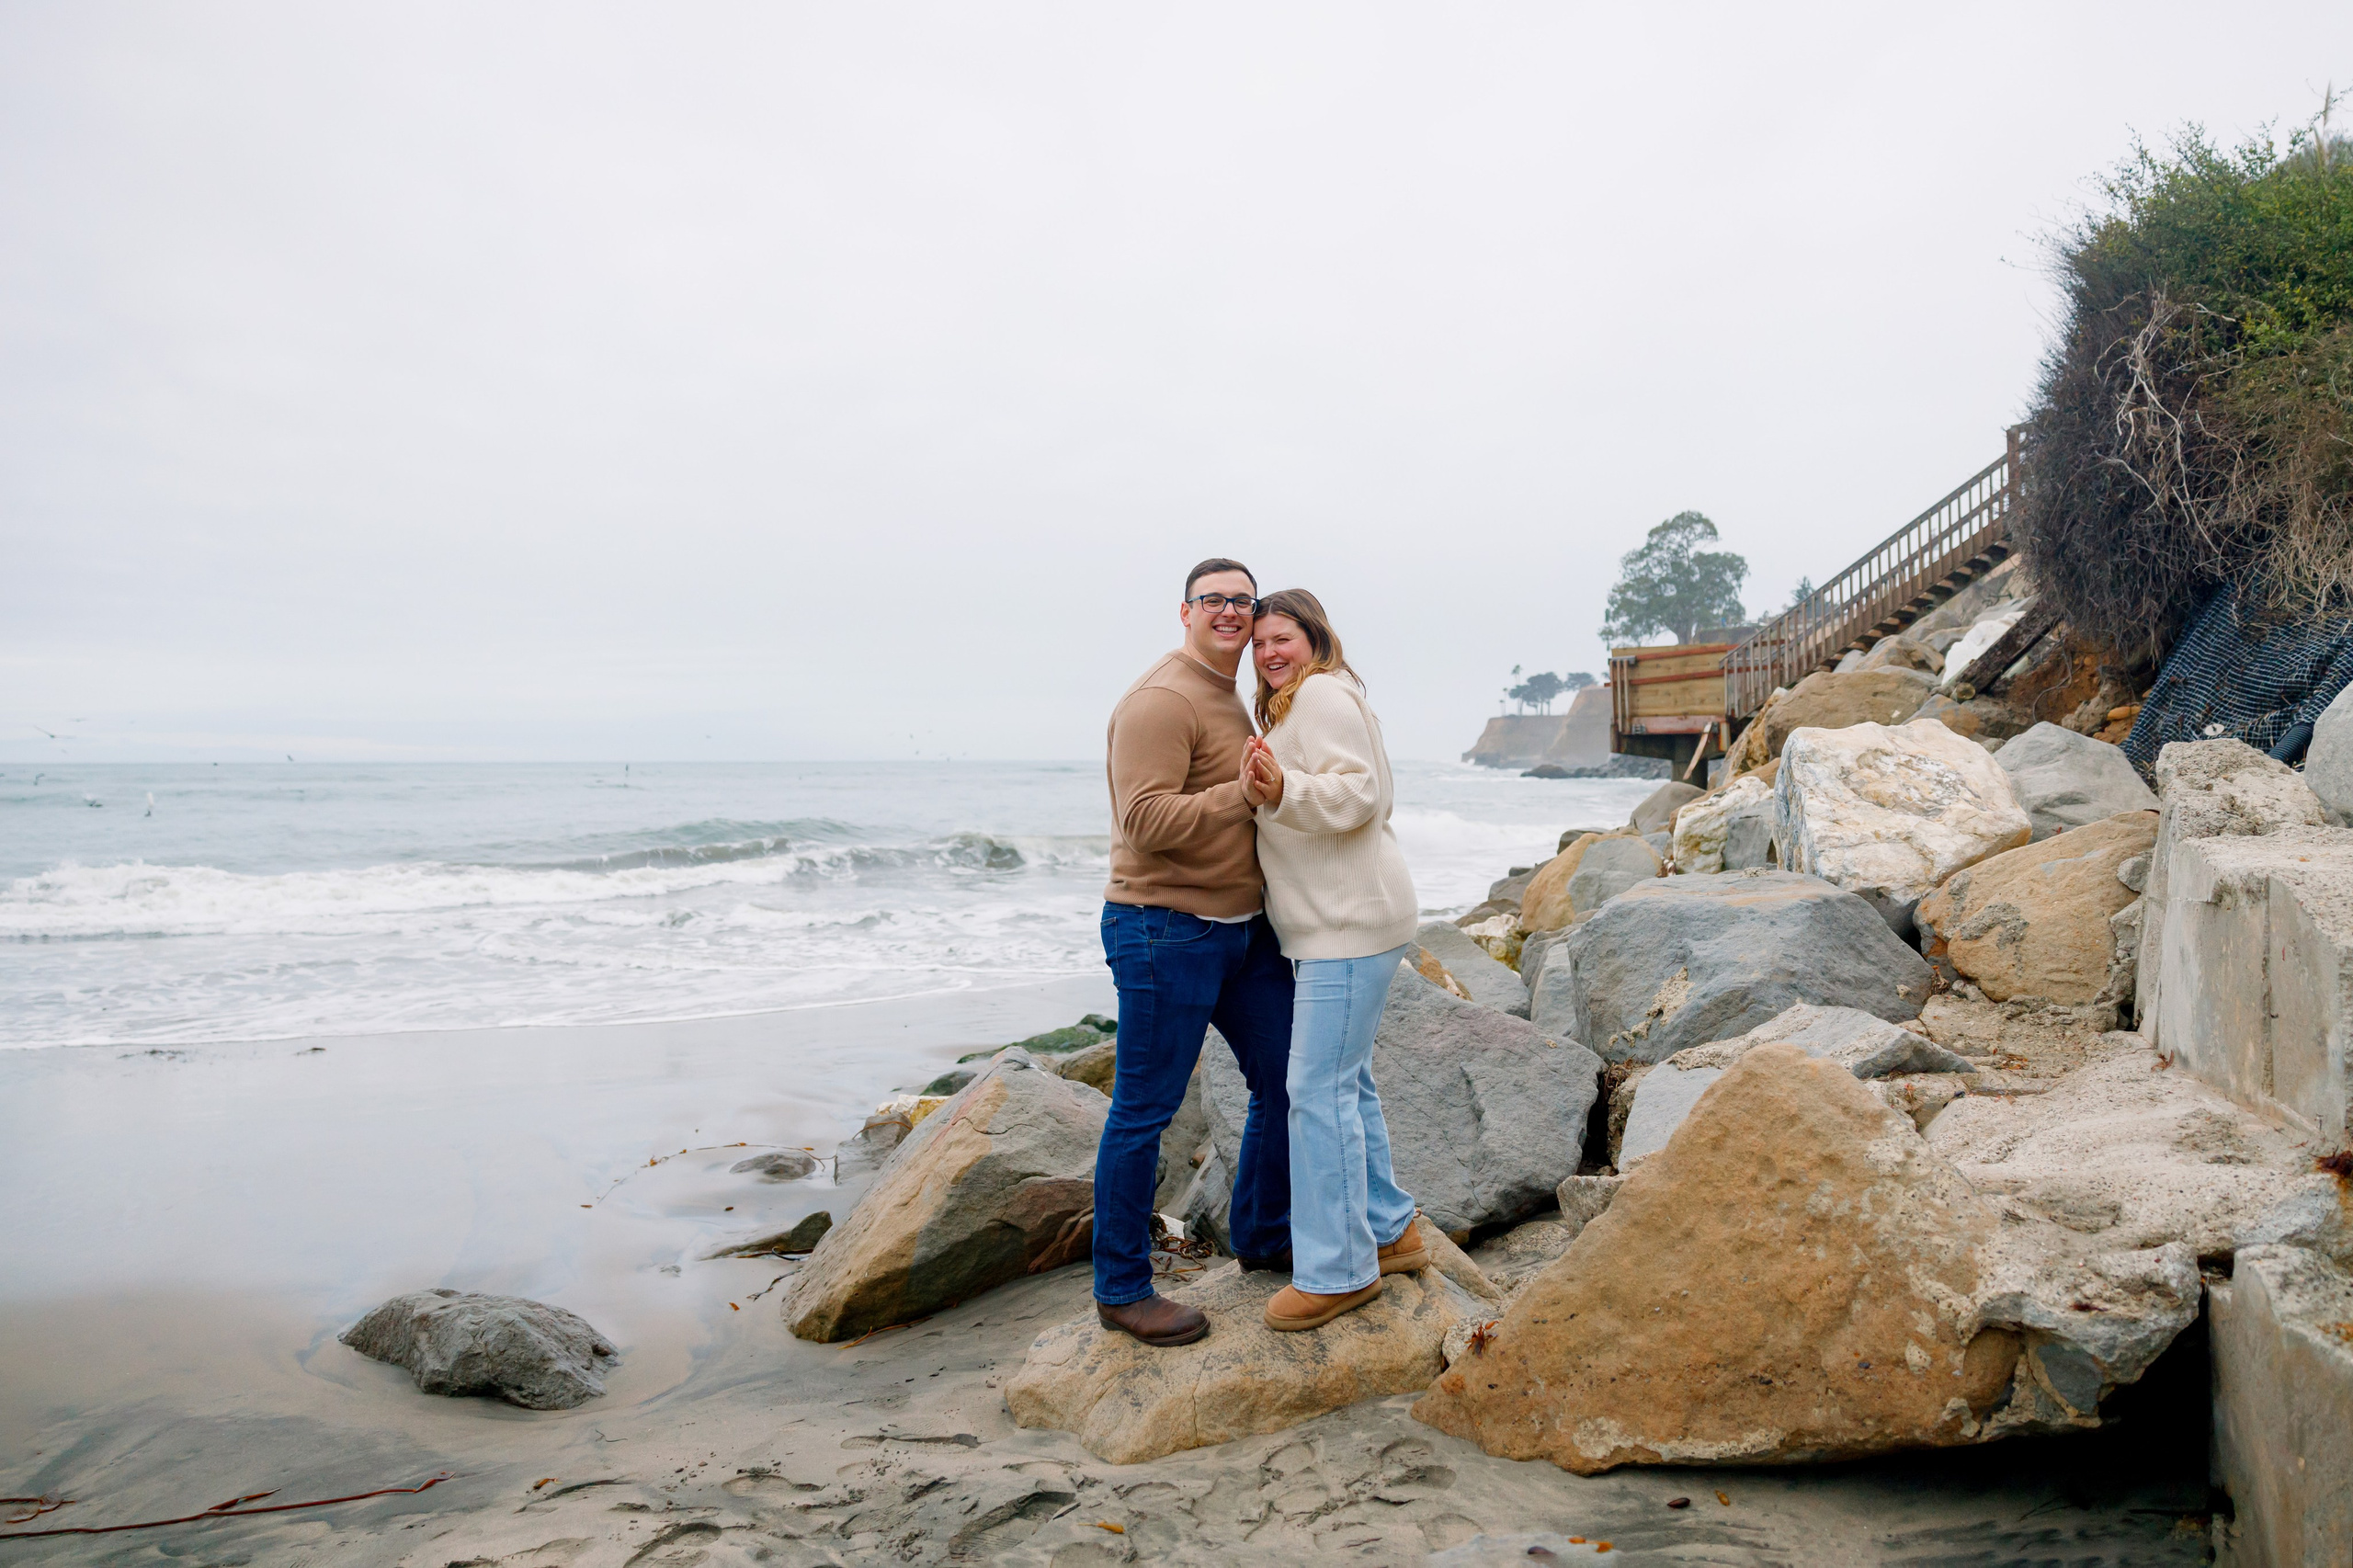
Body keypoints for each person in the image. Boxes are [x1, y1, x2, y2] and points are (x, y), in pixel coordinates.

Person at [1093, 558, 1297, 1346]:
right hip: (1164, 930)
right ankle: (1121, 1290)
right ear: (1185, 611)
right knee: (1143, 1113)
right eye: (1214, 599)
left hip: (1242, 933)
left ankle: (1264, 1236)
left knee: (1288, 1080)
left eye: (1244, 600)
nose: (1231, 612)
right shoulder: (1162, 699)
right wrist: (1241, 794)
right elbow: (1143, 822)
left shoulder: (1227, 693)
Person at [1239, 589, 1426, 1331]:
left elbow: (1359, 793)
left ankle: (1341, 1271)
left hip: (1348, 925)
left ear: (1314, 638)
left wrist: (1283, 788)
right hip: (1345, 921)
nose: (1268, 653)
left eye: (1281, 637)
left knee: (1315, 1092)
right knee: (1347, 1085)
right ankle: (1391, 1232)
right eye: (1258, 644)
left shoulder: (1319, 695)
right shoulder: (1309, 700)